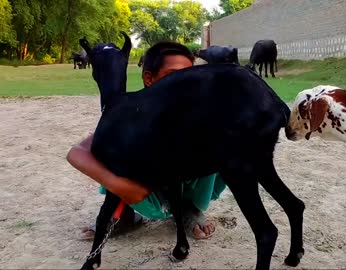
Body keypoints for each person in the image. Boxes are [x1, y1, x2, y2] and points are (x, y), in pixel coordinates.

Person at [67, 41, 227, 240]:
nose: (184, 85)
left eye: (189, 77)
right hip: (145, 196)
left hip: (187, 191)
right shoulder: (133, 113)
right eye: (173, 75)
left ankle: (189, 210)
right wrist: (120, 186)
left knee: (223, 141)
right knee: (111, 148)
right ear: (149, 79)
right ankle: (123, 215)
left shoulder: (200, 111)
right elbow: (77, 152)